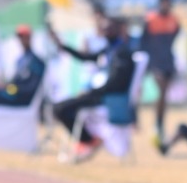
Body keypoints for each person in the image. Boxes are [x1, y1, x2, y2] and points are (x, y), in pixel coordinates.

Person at [51, 16, 137, 160]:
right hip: (99, 94)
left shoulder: (122, 52)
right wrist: (63, 47)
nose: (106, 32)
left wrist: (94, 92)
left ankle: (87, 141)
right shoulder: (109, 49)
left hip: (106, 98)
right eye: (104, 29)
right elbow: (86, 57)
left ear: (118, 30)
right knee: (58, 108)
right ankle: (88, 140)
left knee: (60, 109)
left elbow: (117, 82)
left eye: (110, 28)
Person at [139, 0, 181, 149]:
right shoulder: (151, 20)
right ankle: (157, 124)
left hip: (168, 61)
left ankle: (160, 122)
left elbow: (174, 38)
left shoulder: (174, 20)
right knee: (161, 92)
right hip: (155, 62)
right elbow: (144, 43)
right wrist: (148, 62)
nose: (166, 5)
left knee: (164, 95)